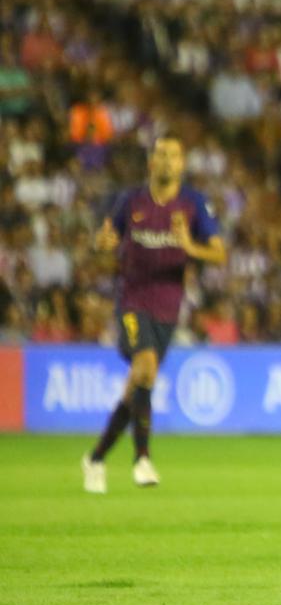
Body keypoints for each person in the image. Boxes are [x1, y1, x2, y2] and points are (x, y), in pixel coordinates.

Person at [82, 137, 226, 493]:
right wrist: (101, 244)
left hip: (168, 305)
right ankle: (142, 458)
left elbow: (219, 254)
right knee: (145, 365)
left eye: (174, 156)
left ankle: (96, 457)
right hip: (133, 299)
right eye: (161, 154)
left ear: (182, 164)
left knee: (139, 382)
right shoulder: (130, 200)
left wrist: (188, 245)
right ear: (151, 162)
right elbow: (105, 241)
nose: (167, 161)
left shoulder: (193, 204)